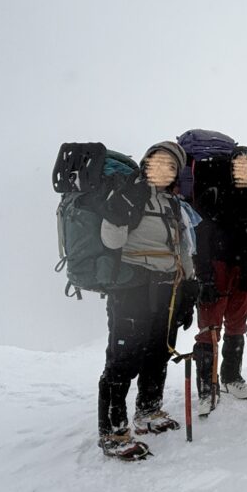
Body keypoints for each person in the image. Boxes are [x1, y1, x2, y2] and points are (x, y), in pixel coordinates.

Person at [97, 141, 199, 460]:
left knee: (158, 350)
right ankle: (113, 432)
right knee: (124, 358)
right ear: (146, 163)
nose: (163, 169)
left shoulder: (172, 204)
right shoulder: (130, 193)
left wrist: (190, 287)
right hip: (132, 287)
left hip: (167, 287)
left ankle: (148, 411)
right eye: (158, 161)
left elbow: (182, 248)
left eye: (171, 166)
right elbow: (111, 240)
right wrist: (118, 210)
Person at [191, 145, 247, 414]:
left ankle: (230, 377)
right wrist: (204, 278)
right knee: (209, 328)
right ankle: (207, 385)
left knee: (238, 324)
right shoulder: (212, 196)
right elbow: (199, 238)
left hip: (242, 271)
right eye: (241, 165)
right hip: (214, 269)